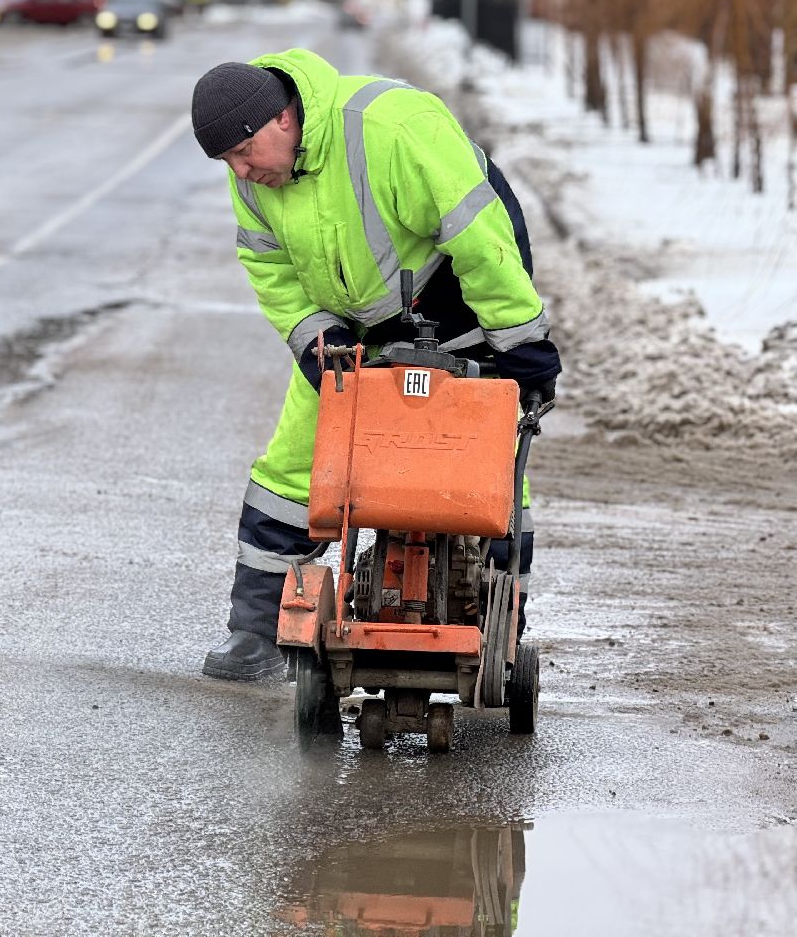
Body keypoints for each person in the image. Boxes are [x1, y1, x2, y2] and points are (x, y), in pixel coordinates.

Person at [190, 49, 561, 681]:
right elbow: (270, 267)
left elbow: (482, 241)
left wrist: (519, 344)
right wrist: (316, 337)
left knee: (484, 460)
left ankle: (498, 625)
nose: (241, 172)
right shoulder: (254, 170)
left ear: (283, 119)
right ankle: (255, 632)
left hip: (453, 297)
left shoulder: (394, 128)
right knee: (294, 465)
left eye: (245, 153)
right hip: (353, 322)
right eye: (227, 162)